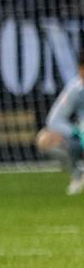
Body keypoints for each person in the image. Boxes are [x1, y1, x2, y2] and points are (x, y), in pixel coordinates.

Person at [35, 63, 84, 196]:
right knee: (44, 140)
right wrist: (77, 133)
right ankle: (78, 175)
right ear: (80, 70)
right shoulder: (75, 89)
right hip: (82, 137)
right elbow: (54, 120)